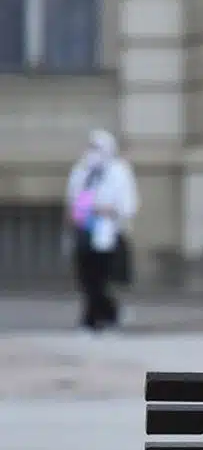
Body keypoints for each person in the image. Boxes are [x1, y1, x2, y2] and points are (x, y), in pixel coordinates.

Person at [64, 129, 138, 331]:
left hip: (108, 232)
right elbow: (74, 198)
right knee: (86, 277)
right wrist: (77, 213)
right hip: (85, 231)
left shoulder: (119, 171)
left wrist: (107, 210)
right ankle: (97, 315)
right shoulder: (82, 171)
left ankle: (98, 317)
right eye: (90, 147)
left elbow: (128, 205)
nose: (92, 152)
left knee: (103, 277)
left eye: (97, 147)